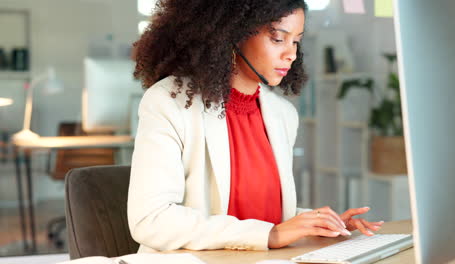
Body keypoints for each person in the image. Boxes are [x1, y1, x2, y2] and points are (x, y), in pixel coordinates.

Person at [128, 0, 384, 253]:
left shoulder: (282, 115)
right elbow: (150, 220)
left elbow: (259, 214)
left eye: (295, 41)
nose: (291, 54)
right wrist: (271, 234)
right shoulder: (170, 102)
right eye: (278, 39)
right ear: (234, 34)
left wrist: (319, 224)